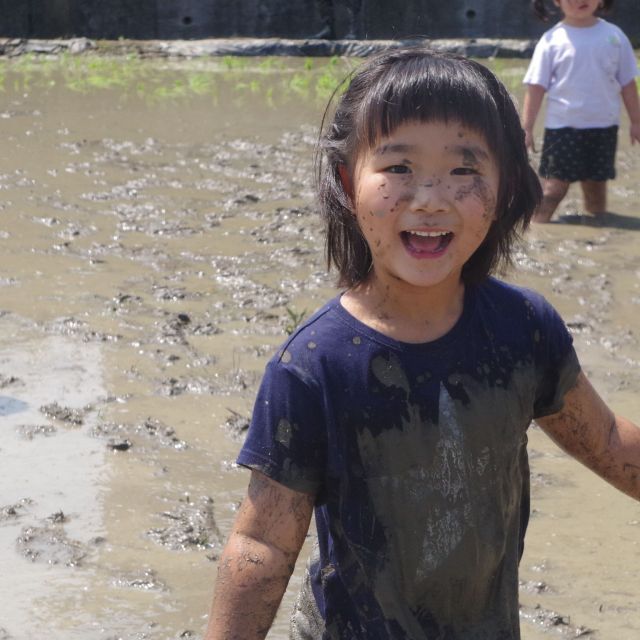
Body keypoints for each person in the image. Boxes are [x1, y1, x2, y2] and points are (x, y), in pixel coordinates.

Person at [204, 47, 640, 639]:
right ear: (346, 182)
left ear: (506, 184)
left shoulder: (522, 329)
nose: (431, 198)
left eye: (464, 170)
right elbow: (262, 543)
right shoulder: (315, 367)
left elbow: (607, 441)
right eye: (399, 168)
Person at [522, 0, 640, 223]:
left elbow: (627, 83)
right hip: (563, 128)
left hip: (604, 127)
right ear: (557, 2)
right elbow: (536, 87)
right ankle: (536, 226)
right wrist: (527, 127)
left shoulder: (614, 36)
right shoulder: (552, 40)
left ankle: (598, 231)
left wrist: (636, 121)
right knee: (553, 189)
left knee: (596, 188)